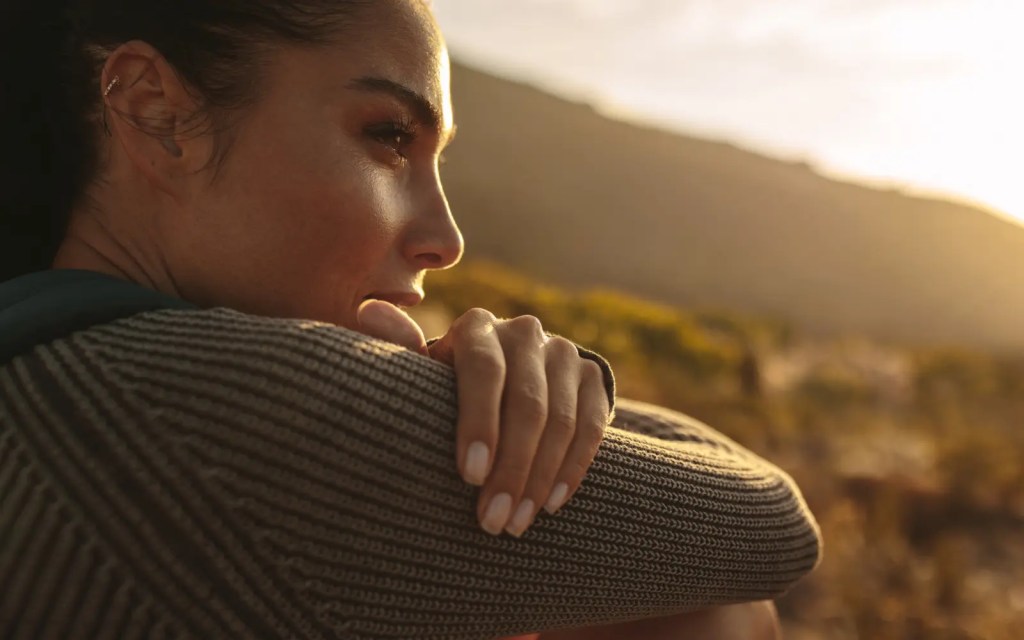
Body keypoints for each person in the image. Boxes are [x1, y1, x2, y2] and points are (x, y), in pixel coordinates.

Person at [0, 1, 821, 639]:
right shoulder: (210, 400)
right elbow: (773, 527)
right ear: (153, 110)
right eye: (389, 137)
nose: (447, 238)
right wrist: (519, 400)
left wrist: (557, 397)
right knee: (711, 616)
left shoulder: (48, 351)